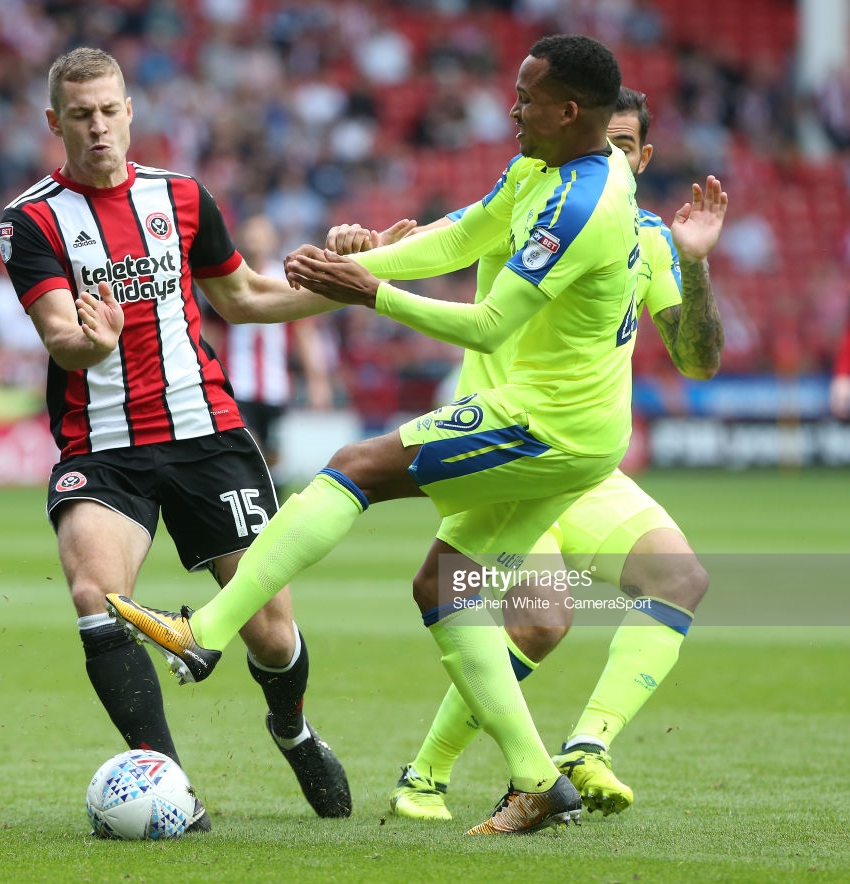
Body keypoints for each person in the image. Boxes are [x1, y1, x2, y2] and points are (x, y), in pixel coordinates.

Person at [109, 34, 639, 835]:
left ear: (570, 111)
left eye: (527, 98)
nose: (512, 107)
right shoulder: (544, 168)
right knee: (443, 588)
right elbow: (464, 238)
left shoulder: (582, 204)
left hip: (550, 424)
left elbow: (493, 325)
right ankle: (538, 781)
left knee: (354, 466)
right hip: (580, 424)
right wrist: (372, 263)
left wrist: (370, 294)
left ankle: (204, 634)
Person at [340, 87, 726, 821]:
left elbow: (698, 359)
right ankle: (426, 775)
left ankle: (586, 747)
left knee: (679, 578)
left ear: (643, 158)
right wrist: (366, 252)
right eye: (595, 139)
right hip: (506, 449)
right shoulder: (532, 203)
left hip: (582, 459)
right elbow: (441, 243)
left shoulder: (648, 238)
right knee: (541, 621)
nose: (601, 157)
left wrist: (697, 262)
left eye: (620, 147)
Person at [0, 47, 351, 829]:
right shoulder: (30, 221)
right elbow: (64, 337)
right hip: (102, 447)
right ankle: (172, 787)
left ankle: (291, 729)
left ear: (131, 111)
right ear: (55, 122)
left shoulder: (183, 197)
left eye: (109, 110)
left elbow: (248, 296)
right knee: (97, 595)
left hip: (209, 435)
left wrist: (355, 286)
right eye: (80, 115)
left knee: (270, 628)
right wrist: (97, 341)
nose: (97, 127)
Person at [212, 213, 333, 470]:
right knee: (247, 447)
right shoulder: (226, 279)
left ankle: (271, 505)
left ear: (272, 239)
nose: (256, 238)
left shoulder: (286, 279)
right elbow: (212, 335)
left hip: (275, 386)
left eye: (262, 232)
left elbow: (304, 332)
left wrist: (317, 381)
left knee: (272, 459)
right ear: (240, 238)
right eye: (251, 232)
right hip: (236, 385)